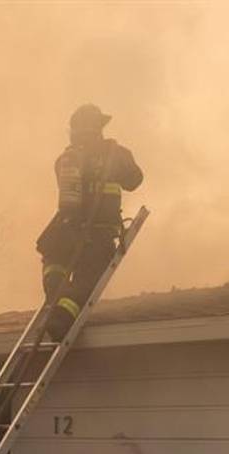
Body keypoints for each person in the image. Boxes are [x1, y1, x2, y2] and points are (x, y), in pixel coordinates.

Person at [37, 103, 143, 341]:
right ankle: (61, 318)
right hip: (98, 233)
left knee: (53, 262)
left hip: (65, 227)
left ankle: (54, 305)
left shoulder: (66, 159)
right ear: (99, 127)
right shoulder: (115, 153)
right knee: (88, 281)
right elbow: (135, 180)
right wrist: (116, 160)